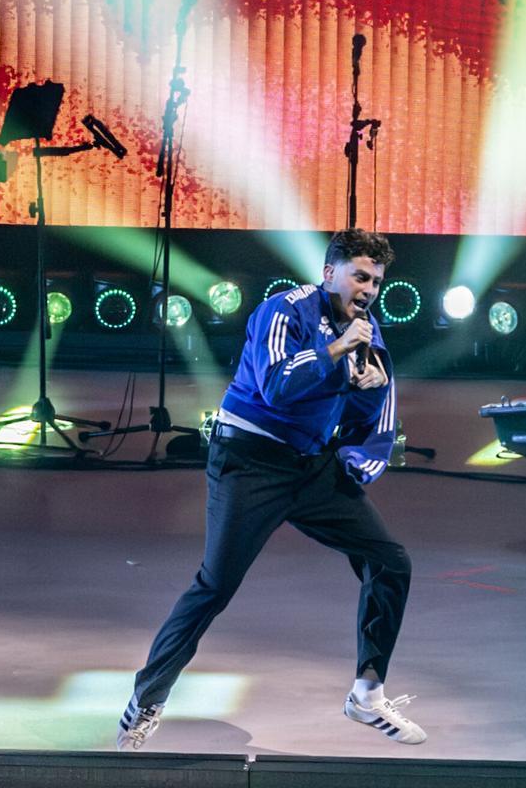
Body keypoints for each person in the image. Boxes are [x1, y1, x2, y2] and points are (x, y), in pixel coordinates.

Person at [116, 228, 424, 750]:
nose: (369, 289)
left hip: (311, 466)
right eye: (360, 276)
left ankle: (367, 696)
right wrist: (336, 350)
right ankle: (148, 697)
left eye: (376, 281)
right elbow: (277, 385)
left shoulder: (367, 330)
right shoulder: (283, 311)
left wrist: (369, 391)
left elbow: (359, 414)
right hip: (250, 463)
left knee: (390, 562)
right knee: (215, 586)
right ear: (330, 273)